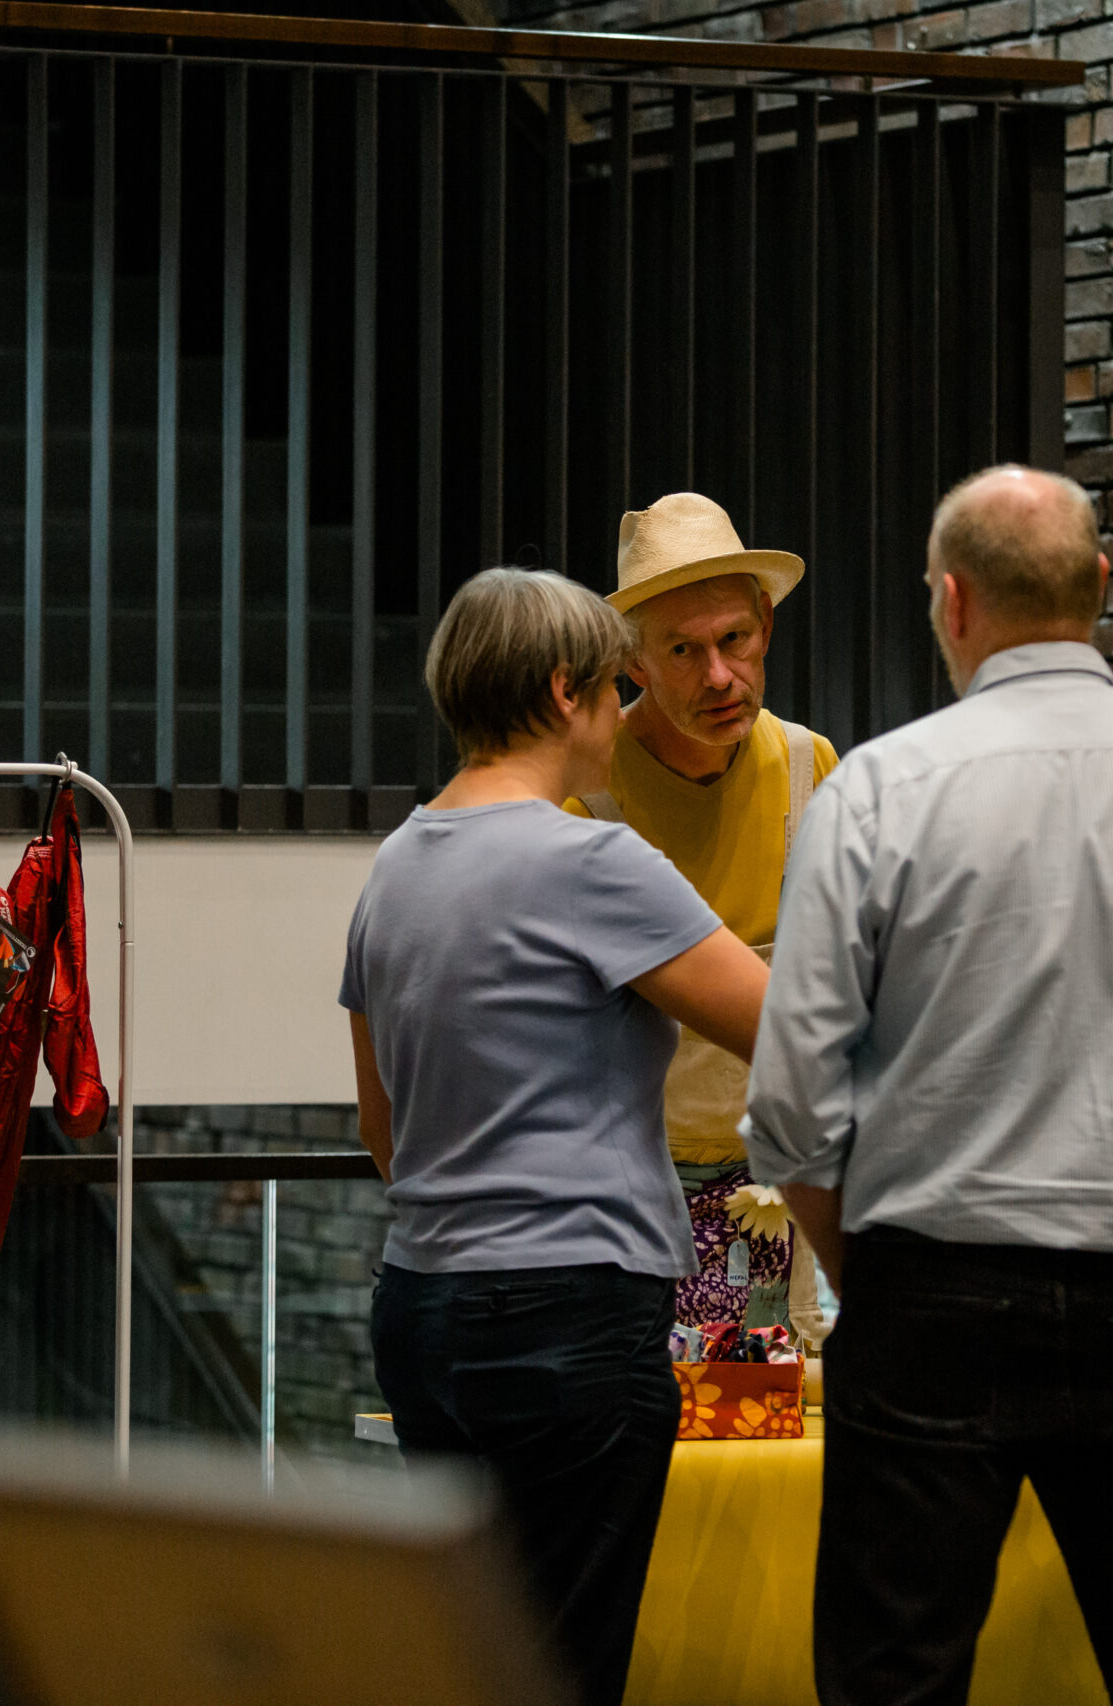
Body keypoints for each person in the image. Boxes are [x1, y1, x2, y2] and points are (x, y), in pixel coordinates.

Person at [743, 467, 1113, 1706]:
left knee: (894, 1676)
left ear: (952, 600)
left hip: (924, 1292)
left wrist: (872, 1270)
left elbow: (793, 1097)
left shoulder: (876, 791)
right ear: (1099, 585)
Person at [341, 566, 771, 1706]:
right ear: (562, 691)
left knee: (477, 1658)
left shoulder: (395, 865)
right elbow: (789, 1028)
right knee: (570, 1664)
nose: (626, 714)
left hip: (420, 1305)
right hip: (569, 1310)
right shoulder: (591, 861)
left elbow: (383, 1127)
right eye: (616, 688)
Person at [568, 492, 839, 1344]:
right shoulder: (585, 796)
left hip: (787, 1196)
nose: (719, 676)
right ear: (633, 661)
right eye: (683, 650)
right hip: (627, 1207)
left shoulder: (811, 768)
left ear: (767, 624)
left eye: (735, 639)